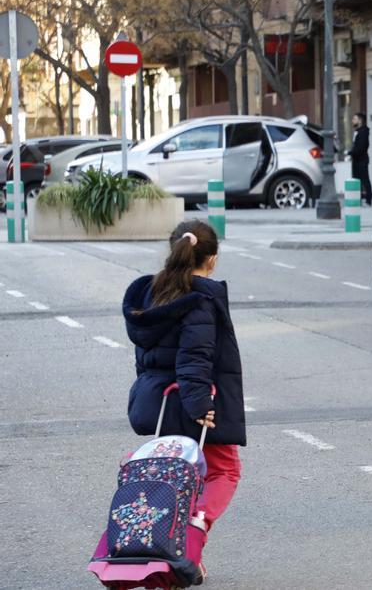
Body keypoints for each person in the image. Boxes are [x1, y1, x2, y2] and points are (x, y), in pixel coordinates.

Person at [123, 220, 245, 565]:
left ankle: (172, 549)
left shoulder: (151, 293)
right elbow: (195, 357)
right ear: (212, 259)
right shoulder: (200, 300)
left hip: (155, 401)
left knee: (172, 478)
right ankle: (192, 531)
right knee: (225, 471)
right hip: (187, 401)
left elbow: (148, 356)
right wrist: (199, 405)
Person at [349, 112, 372, 207]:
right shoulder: (357, 131)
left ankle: (368, 200)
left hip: (362, 160)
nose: (352, 121)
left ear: (360, 120)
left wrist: (351, 152)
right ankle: (357, 199)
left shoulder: (364, 132)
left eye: (354, 119)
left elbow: (362, 147)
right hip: (356, 160)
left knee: (365, 179)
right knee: (356, 180)